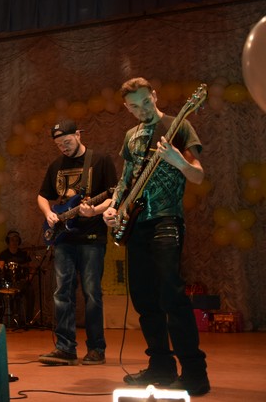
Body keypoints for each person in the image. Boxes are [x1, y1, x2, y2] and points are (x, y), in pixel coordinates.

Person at [102, 78, 210, 396]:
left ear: (154, 95)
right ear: (127, 108)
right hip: (137, 225)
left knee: (171, 295)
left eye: (146, 102)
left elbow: (198, 175)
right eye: (134, 107)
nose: (142, 110)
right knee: (144, 298)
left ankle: (195, 373)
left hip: (166, 219)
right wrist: (115, 208)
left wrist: (178, 160)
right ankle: (161, 365)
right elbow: (126, 179)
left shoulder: (179, 125)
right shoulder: (131, 136)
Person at [37, 119, 117, 365]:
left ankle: (96, 349)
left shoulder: (100, 160)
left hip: (92, 237)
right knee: (62, 292)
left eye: (67, 141)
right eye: (59, 144)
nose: (63, 147)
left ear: (79, 135)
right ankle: (65, 348)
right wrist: (48, 213)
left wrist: (95, 211)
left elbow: (114, 195)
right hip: (64, 238)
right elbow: (42, 196)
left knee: (92, 293)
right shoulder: (56, 165)